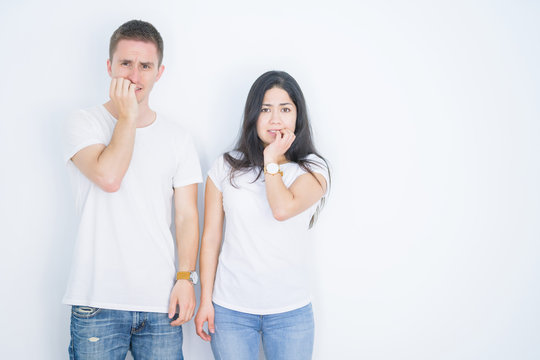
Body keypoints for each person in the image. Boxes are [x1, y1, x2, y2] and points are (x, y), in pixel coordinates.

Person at [63, 20, 201, 359]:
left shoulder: (178, 138)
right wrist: (127, 117)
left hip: (160, 304)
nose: (134, 75)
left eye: (145, 66)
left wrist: (185, 277)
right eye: (125, 63)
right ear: (110, 67)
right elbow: (110, 177)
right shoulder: (85, 123)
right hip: (97, 302)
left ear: (159, 72)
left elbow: (185, 217)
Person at [195, 70, 330, 359]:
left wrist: (271, 160)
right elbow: (210, 239)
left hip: (290, 312)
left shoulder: (313, 169)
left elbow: (281, 208)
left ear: (298, 116)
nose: (275, 119)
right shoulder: (225, 167)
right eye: (266, 109)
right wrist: (205, 300)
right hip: (230, 310)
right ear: (253, 115)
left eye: (285, 109)